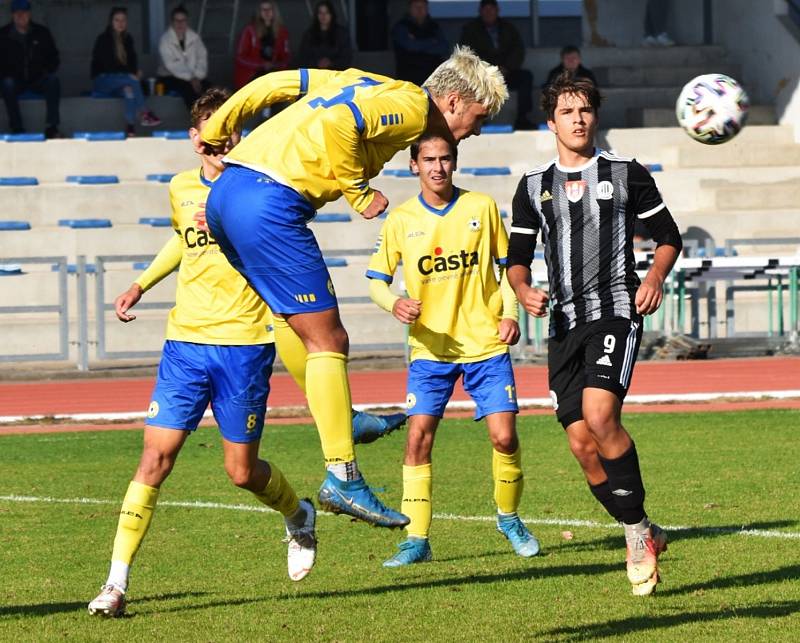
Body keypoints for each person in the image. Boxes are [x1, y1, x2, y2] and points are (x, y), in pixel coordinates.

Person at [200, 46, 508, 530]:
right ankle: (343, 477)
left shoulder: (361, 79)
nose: (474, 131)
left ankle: (343, 420)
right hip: (271, 200)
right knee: (330, 340)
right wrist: (358, 192)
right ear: (451, 102)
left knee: (290, 319)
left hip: (228, 193)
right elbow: (342, 123)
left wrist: (220, 126)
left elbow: (274, 84)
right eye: (477, 118)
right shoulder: (414, 107)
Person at [87, 89, 316, 619]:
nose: (221, 142)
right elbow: (182, 240)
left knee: (241, 471)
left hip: (244, 346)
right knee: (154, 459)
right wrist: (141, 284)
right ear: (195, 140)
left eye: (230, 131)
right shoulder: (181, 188)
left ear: (240, 136)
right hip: (185, 342)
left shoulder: (260, 189)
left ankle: (297, 512)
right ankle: (115, 584)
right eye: (211, 133)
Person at [506, 73, 682, 596]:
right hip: (563, 324)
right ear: (550, 121)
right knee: (583, 444)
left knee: (601, 416)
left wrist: (652, 276)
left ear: (595, 117)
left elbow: (668, 236)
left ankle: (634, 535)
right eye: (567, 111)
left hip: (615, 311)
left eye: (584, 110)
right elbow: (517, 259)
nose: (577, 119)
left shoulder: (626, 174)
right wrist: (522, 290)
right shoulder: (533, 186)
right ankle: (648, 529)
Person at [366, 133, 540, 567]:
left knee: (504, 436)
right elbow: (375, 282)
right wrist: (395, 303)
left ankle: (509, 518)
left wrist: (512, 315)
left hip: (485, 344)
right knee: (417, 440)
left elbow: (506, 273)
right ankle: (416, 540)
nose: (437, 167)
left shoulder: (481, 208)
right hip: (430, 349)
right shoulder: (402, 220)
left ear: (455, 162)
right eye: (429, 159)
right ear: (413, 165)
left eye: (445, 159)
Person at [459, 0, 534, 130]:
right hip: (482, 74)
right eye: (486, 10)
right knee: (470, 82)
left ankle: (523, 118)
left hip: (506, 72)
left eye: (491, 9)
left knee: (526, 77)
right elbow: (466, 54)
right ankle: (479, 119)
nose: (489, 13)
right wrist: (488, 69)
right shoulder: (470, 29)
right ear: (480, 11)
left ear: (497, 10)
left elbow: (518, 50)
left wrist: (507, 68)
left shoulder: (508, 28)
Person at [90, 6, 160, 136]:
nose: (120, 23)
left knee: (129, 90)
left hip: (122, 82)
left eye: (123, 20)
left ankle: (130, 127)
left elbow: (132, 62)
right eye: (117, 20)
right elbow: (108, 66)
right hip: (103, 81)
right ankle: (145, 112)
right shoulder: (104, 39)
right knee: (129, 80)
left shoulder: (128, 39)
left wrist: (136, 72)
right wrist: (130, 74)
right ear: (111, 22)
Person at [0, 0, 60, 137]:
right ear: (12, 15)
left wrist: (47, 70)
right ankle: (17, 128)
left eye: (24, 13)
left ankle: (52, 127)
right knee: (7, 84)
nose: (21, 16)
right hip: (15, 81)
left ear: (29, 14)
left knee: (53, 81)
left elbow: (54, 57)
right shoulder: (3, 35)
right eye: (17, 13)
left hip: (37, 79)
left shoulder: (41, 32)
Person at [156, 5, 209, 108]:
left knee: (210, 90)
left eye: (183, 20)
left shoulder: (194, 37)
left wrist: (197, 76)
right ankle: (198, 120)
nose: (180, 23)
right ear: (172, 22)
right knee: (189, 90)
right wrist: (191, 78)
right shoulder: (165, 40)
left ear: (187, 21)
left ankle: (215, 120)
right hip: (169, 77)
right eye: (177, 20)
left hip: (194, 75)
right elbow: (172, 66)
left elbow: (202, 58)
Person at [234, 1, 290, 90]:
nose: (267, 12)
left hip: (273, 75)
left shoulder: (282, 31)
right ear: (259, 12)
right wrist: (261, 64)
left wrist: (275, 65)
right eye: (263, 9)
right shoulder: (249, 31)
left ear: (274, 11)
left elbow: (286, 57)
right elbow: (240, 57)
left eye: (269, 9)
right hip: (252, 76)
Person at [391, 0, 449, 87]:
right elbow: (410, 46)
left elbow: (443, 48)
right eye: (416, 7)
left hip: (433, 78)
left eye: (423, 7)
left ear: (427, 8)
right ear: (409, 8)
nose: (419, 10)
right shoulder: (401, 26)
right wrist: (432, 42)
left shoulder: (434, 27)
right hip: (409, 77)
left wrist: (418, 44)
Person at [294, 1, 351, 71]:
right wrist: (316, 63)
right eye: (320, 13)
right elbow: (302, 57)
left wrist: (331, 63)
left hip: (336, 75)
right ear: (316, 15)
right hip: (314, 74)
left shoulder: (342, 33)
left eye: (326, 12)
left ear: (331, 14)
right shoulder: (309, 34)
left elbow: (347, 57)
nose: (323, 16)